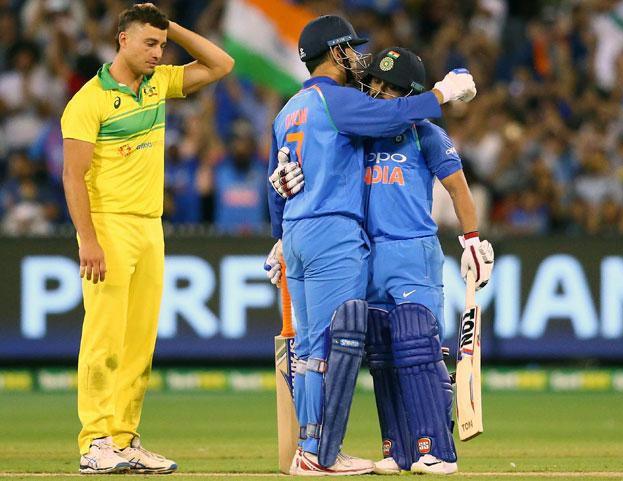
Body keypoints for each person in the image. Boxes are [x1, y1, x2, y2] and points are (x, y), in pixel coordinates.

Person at [265, 15, 476, 476]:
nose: (359, 61)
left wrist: (280, 236)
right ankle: (320, 453)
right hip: (333, 234)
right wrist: (440, 94)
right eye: (351, 49)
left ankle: (317, 447)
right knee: (335, 343)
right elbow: (393, 115)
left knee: (315, 347)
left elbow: (277, 178)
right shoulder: (338, 100)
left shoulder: (288, 109)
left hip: (300, 231)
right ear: (335, 52)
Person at [60, 3, 234, 474]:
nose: (159, 53)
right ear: (122, 39)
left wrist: (170, 25)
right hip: (109, 225)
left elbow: (222, 64)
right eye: (149, 42)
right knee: (104, 340)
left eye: (162, 44)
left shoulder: (158, 85)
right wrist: (89, 240)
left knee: (139, 342)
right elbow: (73, 178)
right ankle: (95, 441)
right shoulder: (88, 101)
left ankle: (124, 438)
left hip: (150, 227)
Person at [360, 47, 493, 475]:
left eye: (390, 87)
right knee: (381, 355)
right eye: (375, 83)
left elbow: (458, 189)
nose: (378, 92)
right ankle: (397, 450)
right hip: (366, 253)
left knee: (416, 346)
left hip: (413, 250)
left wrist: (471, 239)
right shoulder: (359, 131)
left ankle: (436, 450)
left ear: (411, 93)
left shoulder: (425, 133)